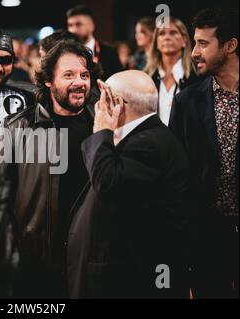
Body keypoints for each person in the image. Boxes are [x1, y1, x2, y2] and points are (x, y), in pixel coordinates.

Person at [68, 70, 190, 298]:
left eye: (103, 98)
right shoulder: (149, 137)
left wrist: (102, 130)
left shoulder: (149, 144)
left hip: (136, 277)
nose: (97, 106)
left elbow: (107, 183)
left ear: (117, 104)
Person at [0, 40, 96, 298]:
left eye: (84, 75)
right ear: (49, 81)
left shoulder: (102, 126)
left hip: (90, 262)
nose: (79, 82)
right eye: (69, 75)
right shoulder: (19, 128)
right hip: (36, 263)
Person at [169, 7, 239, 299]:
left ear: (230, 45)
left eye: (203, 43)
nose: (194, 51)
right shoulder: (186, 101)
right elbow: (174, 169)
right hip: (208, 234)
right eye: (194, 42)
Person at [144, 17, 198, 126]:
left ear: (185, 40)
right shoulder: (146, 77)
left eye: (173, 33)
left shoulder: (197, 76)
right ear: (156, 42)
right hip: (153, 140)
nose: (167, 37)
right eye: (162, 33)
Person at [66, 5, 122, 80]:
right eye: (70, 25)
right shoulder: (66, 53)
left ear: (91, 26)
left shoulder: (109, 52)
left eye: (78, 24)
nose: (73, 30)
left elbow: (118, 81)